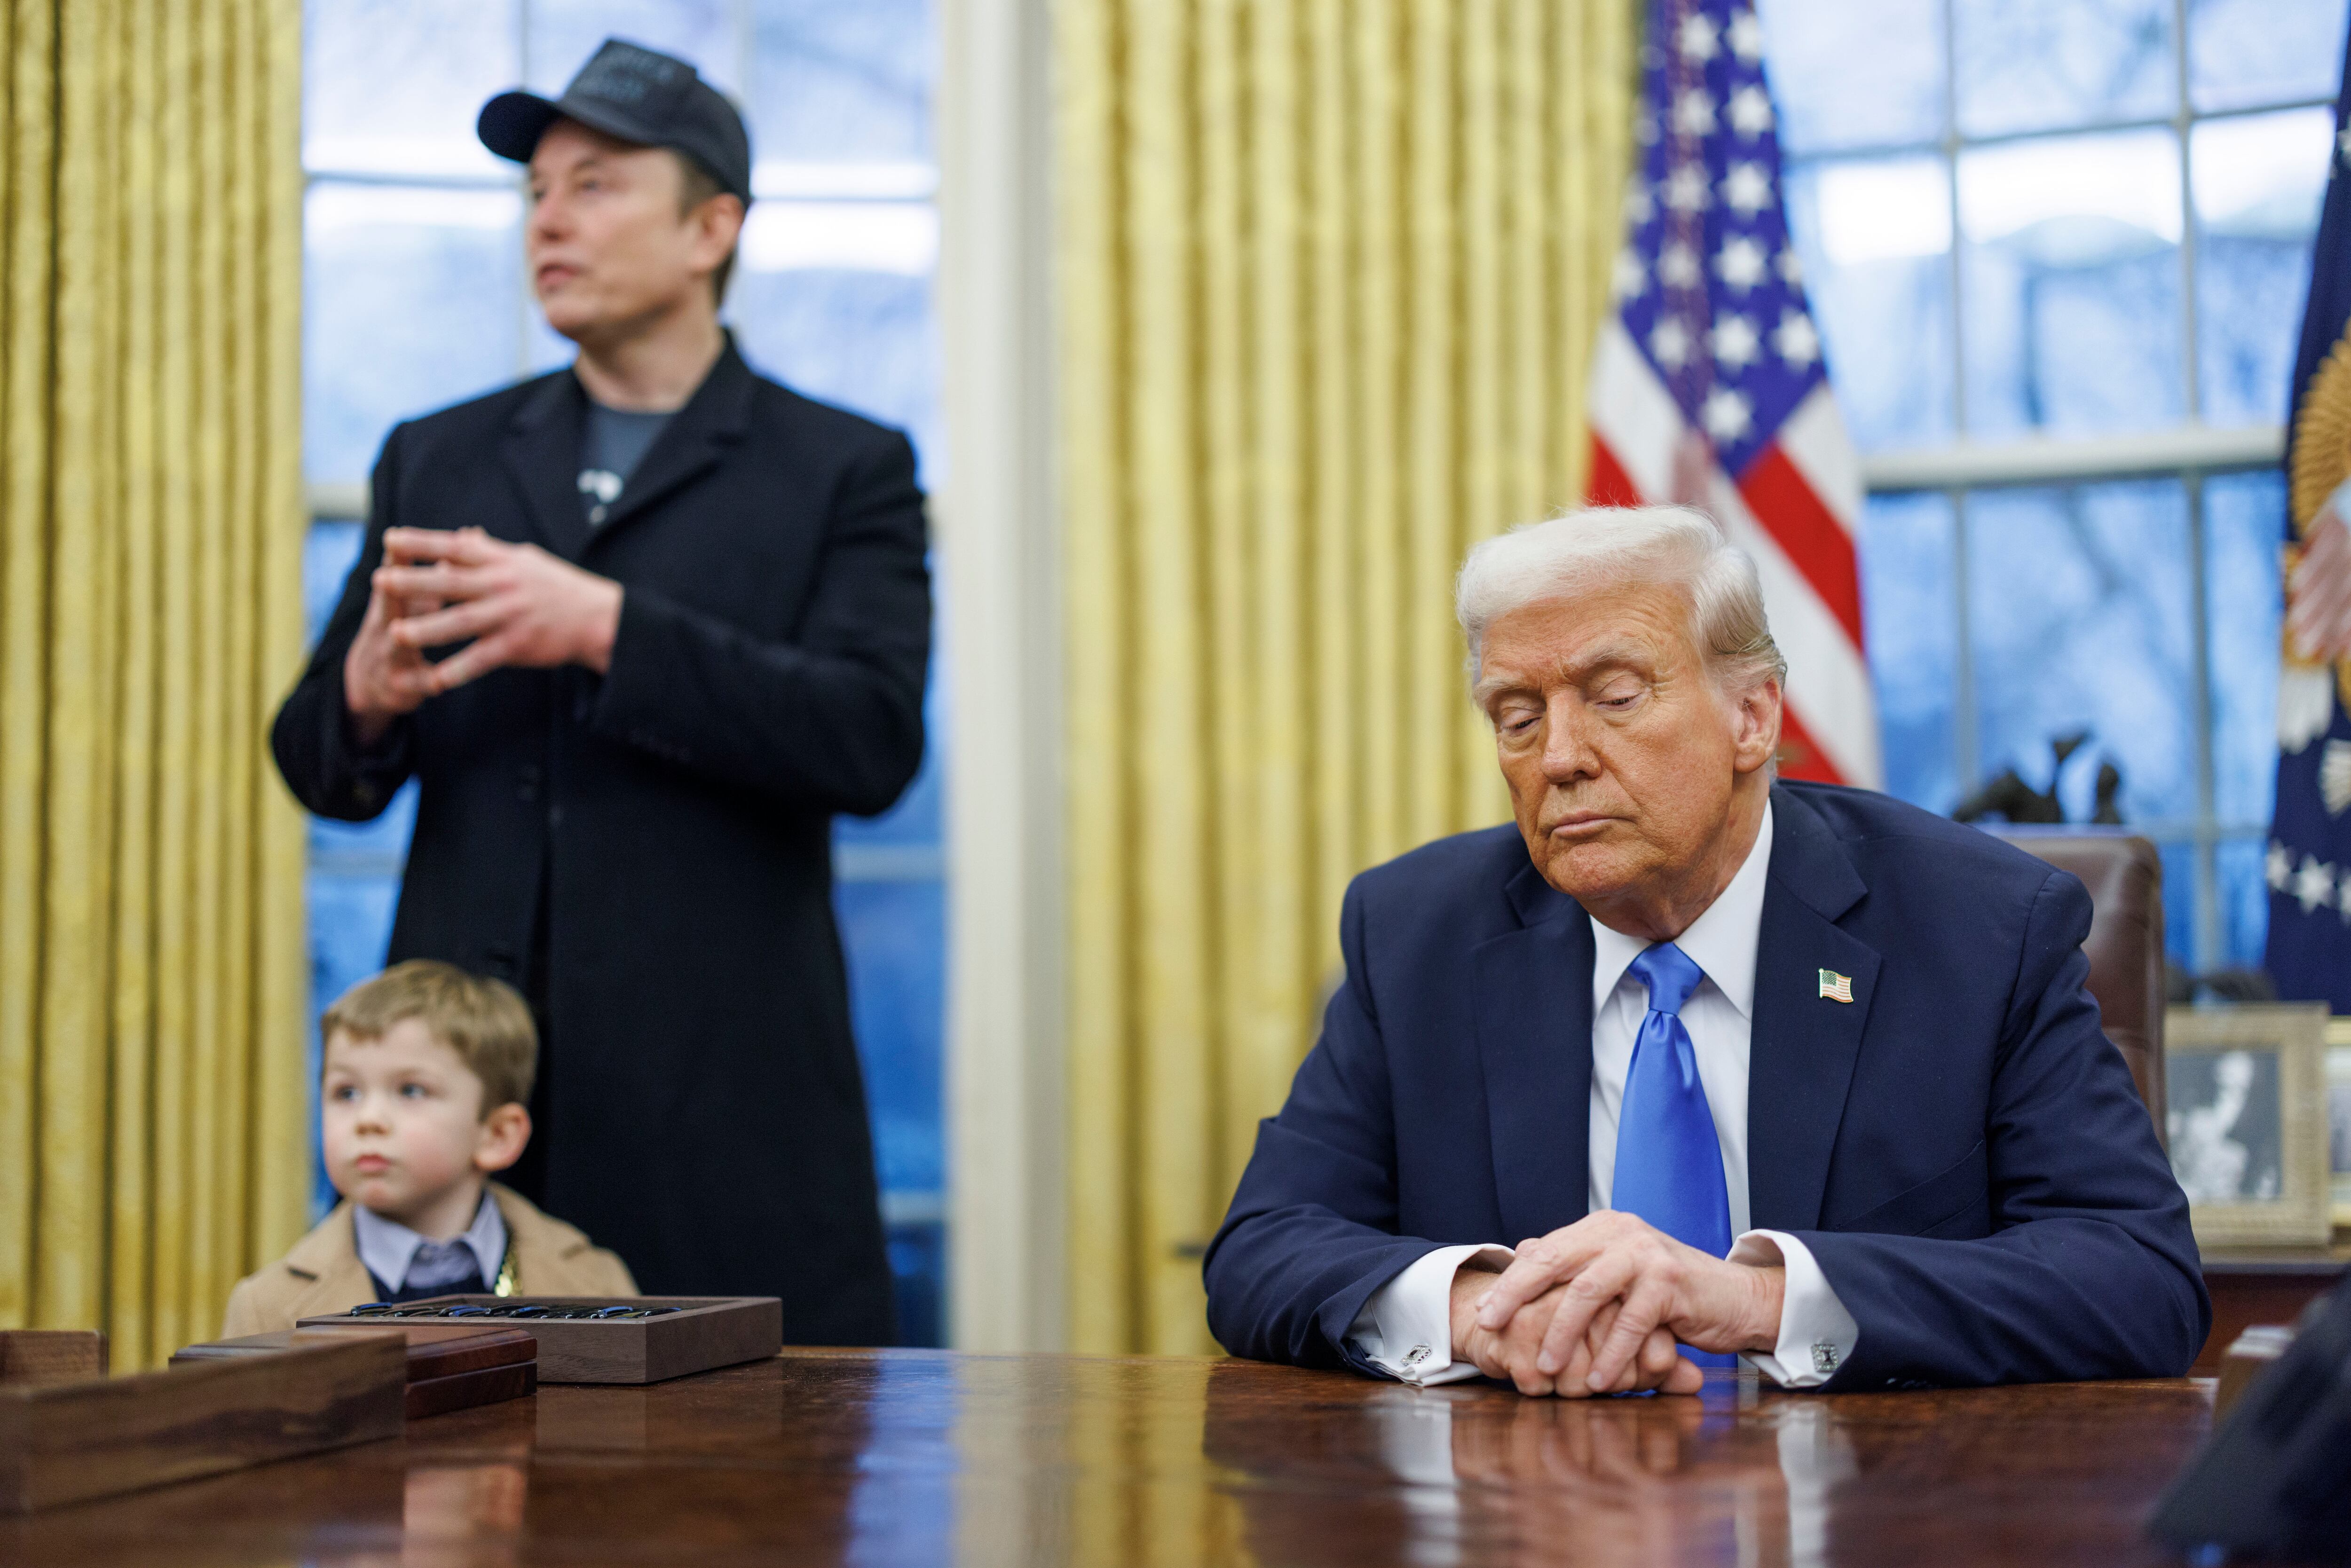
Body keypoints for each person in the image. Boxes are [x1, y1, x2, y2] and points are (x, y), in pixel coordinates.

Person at [1203, 505, 2208, 1395]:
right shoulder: (1415, 934)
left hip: (1873, 1504)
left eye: (1615, 695)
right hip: (1529, 1503)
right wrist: (1481, 1311)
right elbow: (1262, 1248)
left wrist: (1753, 1300)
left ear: (1752, 717)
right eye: (1518, 715)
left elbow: (2137, 1277)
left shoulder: (1978, 928)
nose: (1559, 756)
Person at [271, 39, 928, 1343]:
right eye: (536, 192)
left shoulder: (840, 465)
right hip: (464, 1121)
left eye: (595, 185)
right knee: (436, 1466)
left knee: (743, 1459)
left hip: (723, 1110)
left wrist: (603, 628)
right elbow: (319, 767)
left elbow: (869, 739)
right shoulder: (439, 452)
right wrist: (367, 690)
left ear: (710, 229)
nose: (548, 220)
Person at [223, 961, 635, 1335]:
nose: (368, 1119)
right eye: (346, 1092)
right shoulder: (265, 1308)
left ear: (496, 1135)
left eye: (411, 1090)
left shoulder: (596, 1282)